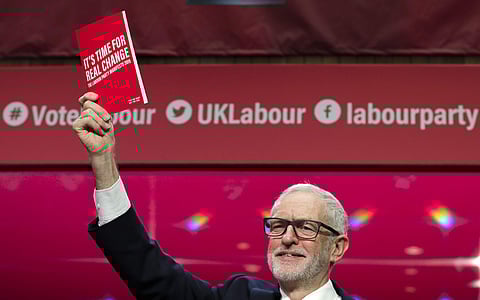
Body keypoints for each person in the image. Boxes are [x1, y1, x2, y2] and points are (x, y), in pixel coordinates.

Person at [72, 92, 353, 300]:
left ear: (337, 248)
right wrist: (103, 160)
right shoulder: (240, 296)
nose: (287, 237)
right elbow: (148, 271)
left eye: (306, 227)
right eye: (278, 225)